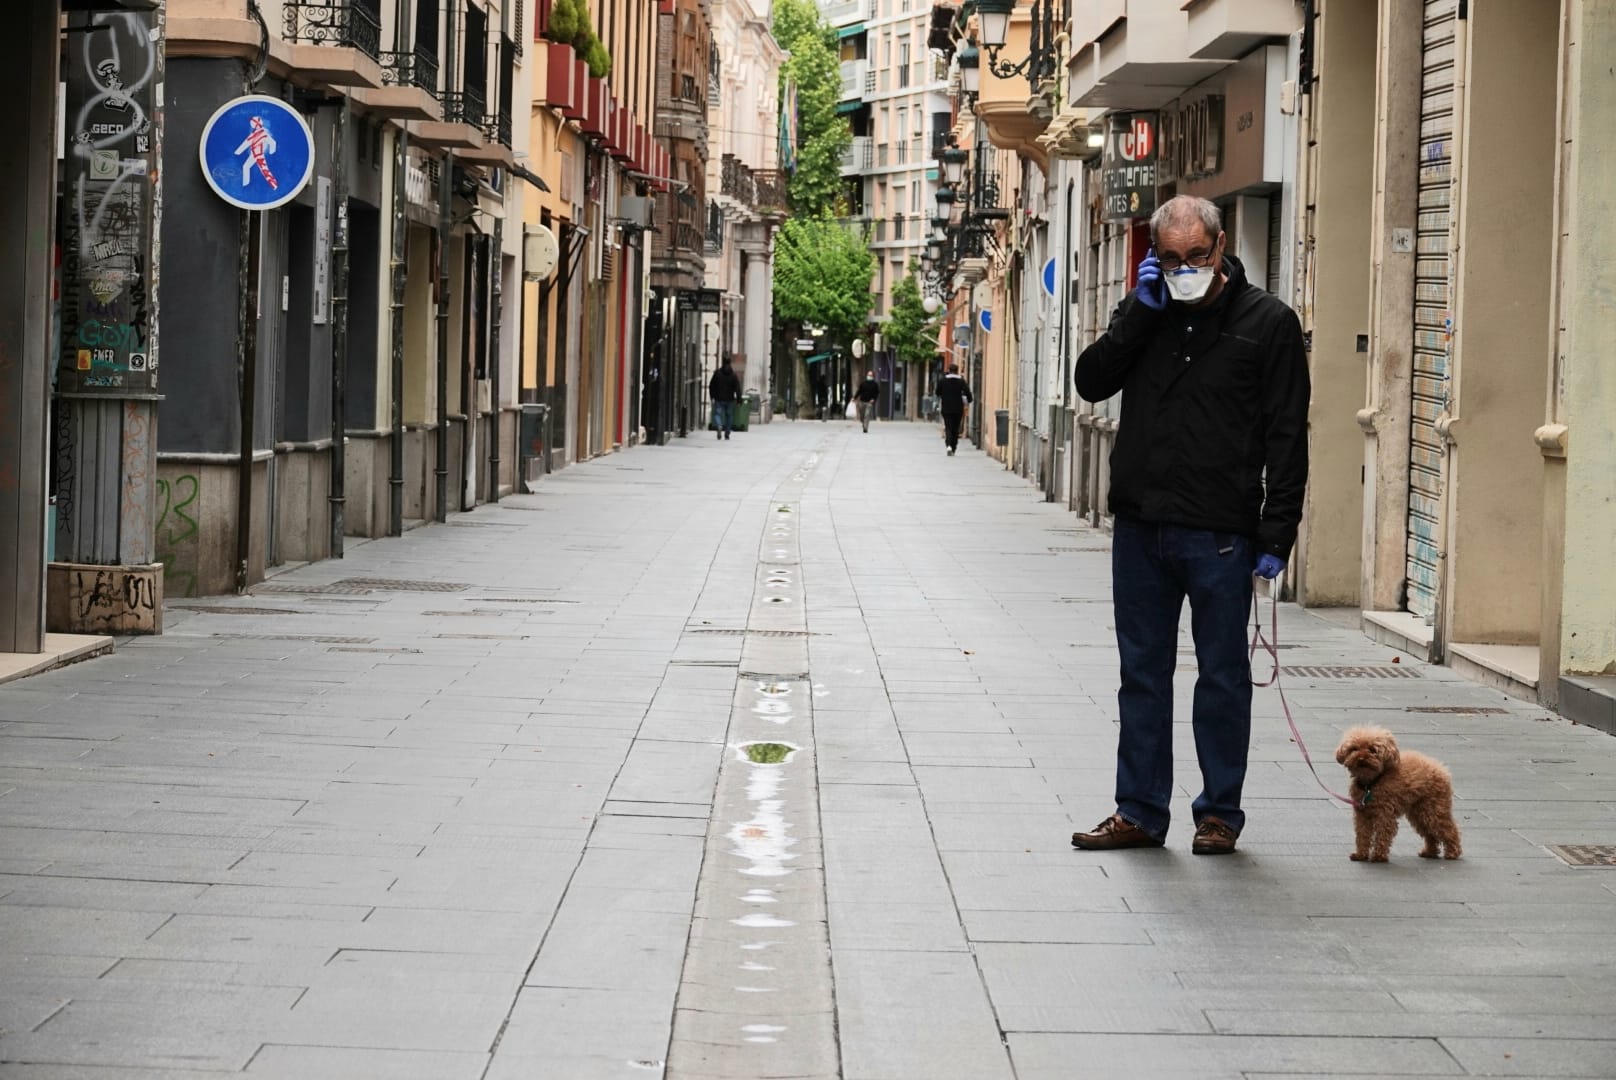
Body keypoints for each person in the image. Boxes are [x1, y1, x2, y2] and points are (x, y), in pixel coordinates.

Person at [1070, 194, 1310, 856]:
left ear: (1221, 245)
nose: (1183, 269)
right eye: (1169, 258)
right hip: (1141, 528)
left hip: (1221, 534)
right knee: (1141, 672)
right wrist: (1134, 322)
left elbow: (1288, 436)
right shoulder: (1143, 313)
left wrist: (1276, 535)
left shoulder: (1269, 324)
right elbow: (1090, 383)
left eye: (1195, 257)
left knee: (1223, 676)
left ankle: (1219, 814)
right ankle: (1140, 810)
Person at [936, 363, 972, 455]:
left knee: (948, 426)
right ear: (957, 370)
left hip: (946, 407)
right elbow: (968, 393)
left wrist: (943, 395)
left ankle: (948, 445)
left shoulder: (943, 380)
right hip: (958, 408)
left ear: (949, 370)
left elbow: (937, 392)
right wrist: (969, 400)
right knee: (955, 428)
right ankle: (953, 447)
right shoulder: (961, 381)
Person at [708, 358, 741, 440]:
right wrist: (739, 399)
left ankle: (719, 425)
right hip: (730, 399)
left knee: (717, 414)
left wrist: (712, 396)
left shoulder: (717, 373)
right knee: (729, 416)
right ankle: (727, 433)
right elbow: (737, 388)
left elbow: (711, 385)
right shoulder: (733, 375)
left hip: (718, 398)